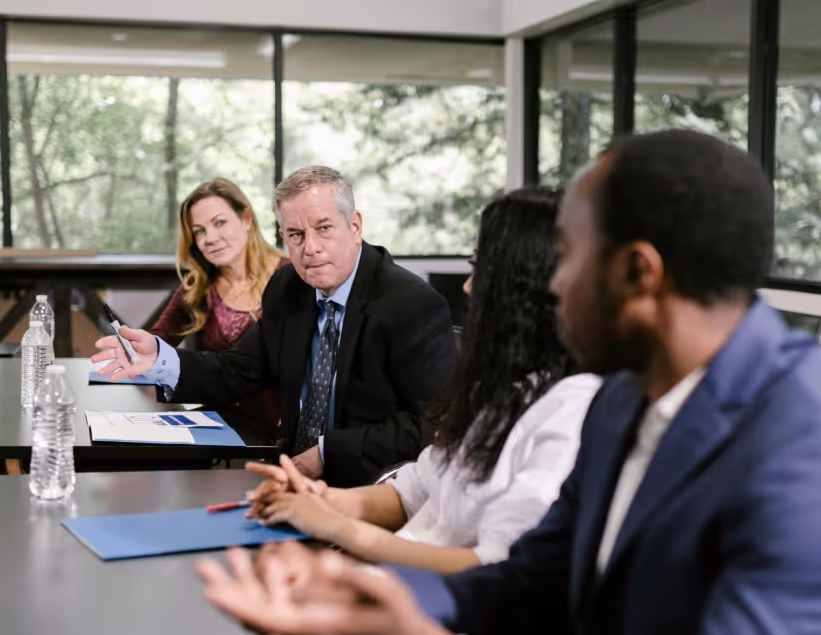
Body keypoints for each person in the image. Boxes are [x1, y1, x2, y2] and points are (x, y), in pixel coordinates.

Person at [195, 131, 821, 635]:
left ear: (639, 274)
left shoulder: (818, 465)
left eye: (570, 257)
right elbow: (531, 583)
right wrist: (363, 602)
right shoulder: (623, 403)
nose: (548, 286)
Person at [249, 188, 600, 573]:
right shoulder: (503, 392)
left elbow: (501, 566)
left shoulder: (572, 412)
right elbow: (412, 492)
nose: (468, 287)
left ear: (526, 287)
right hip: (387, 574)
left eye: (479, 267)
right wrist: (317, 500)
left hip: (430, 601)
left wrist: (341, 530)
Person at [92, 167, 457, 488]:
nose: (310, 248)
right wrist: (162, 360)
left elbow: (429, 425)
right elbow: (241, 369)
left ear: (355, 225)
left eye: (324, 228)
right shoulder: (289, 287)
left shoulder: (413, 305)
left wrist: (327, 454)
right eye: (295, 235)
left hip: (369, 486)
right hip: (285, 473)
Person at [150, 178, 286, 352]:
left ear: (246, 220)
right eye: (199, 231)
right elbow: (155, 344)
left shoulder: (290, 275)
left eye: (220, 223)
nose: (210, 239)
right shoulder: (198, 287)